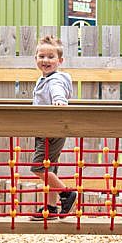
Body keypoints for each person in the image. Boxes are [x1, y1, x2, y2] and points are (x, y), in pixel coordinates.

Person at [29, 35, 77, 220]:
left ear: (60, 61)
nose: (45, 60)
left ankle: (66, 194)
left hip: (52, 130)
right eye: (41, 56)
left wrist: (59, 101)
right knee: (50, 169)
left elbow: (58, 93)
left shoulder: (55, 80)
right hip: (45, 130)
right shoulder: (43, 79)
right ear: (36, 59)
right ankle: (50, 208)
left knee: (39, 167)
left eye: (50, 57)